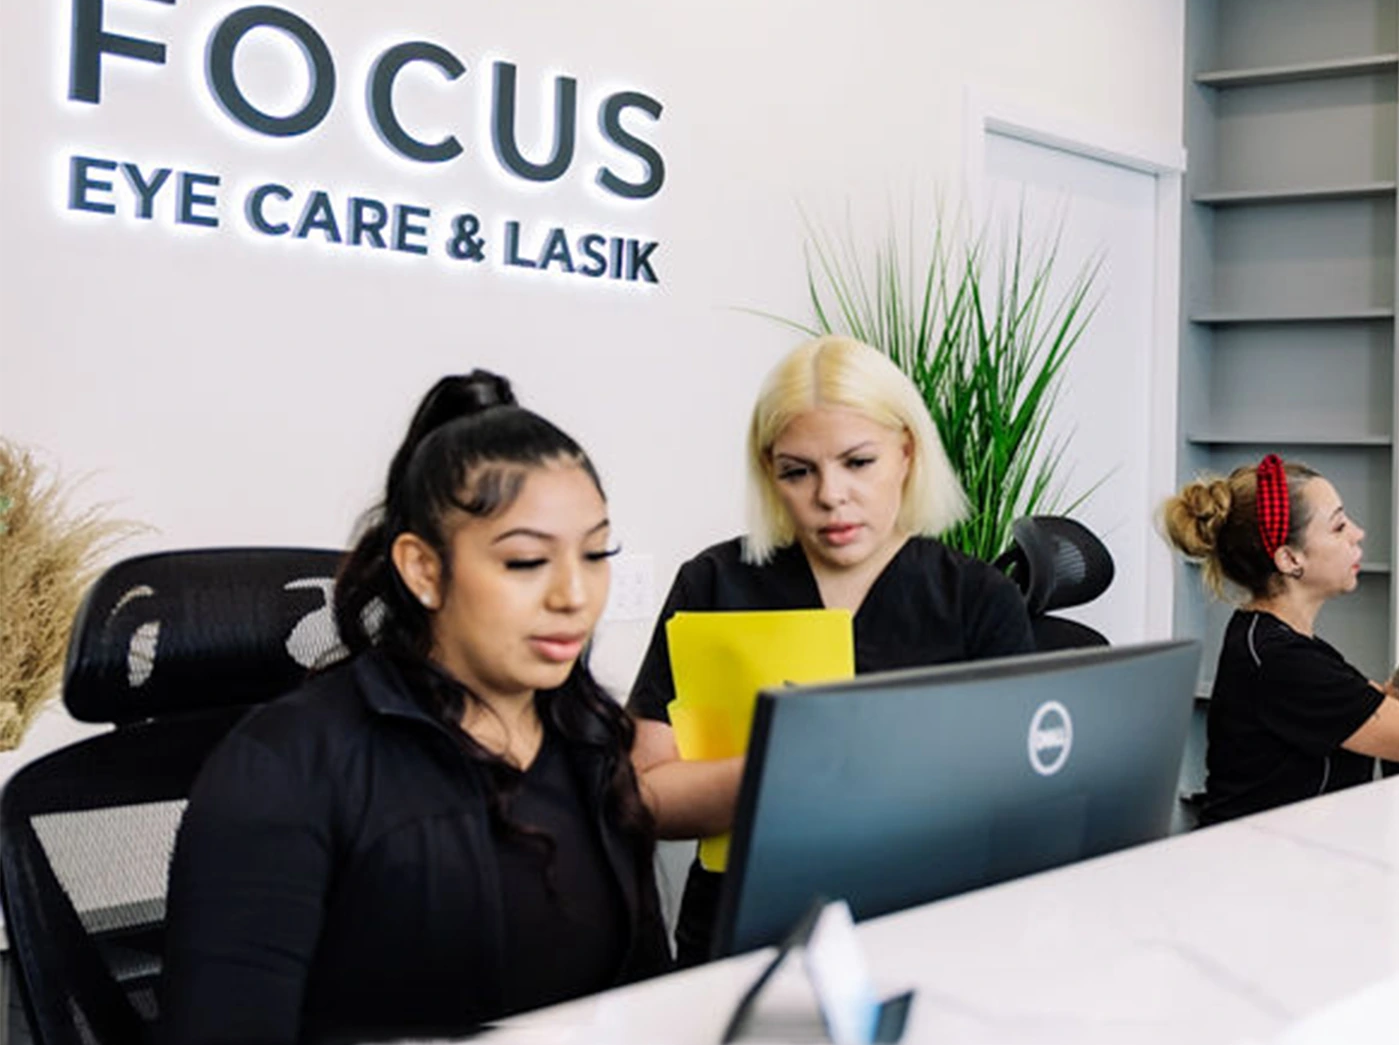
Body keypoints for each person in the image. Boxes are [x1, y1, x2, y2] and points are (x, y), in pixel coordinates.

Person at [162, 372, 668, 1044]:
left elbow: (647, 1005)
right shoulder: (284, 765)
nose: (575, 593)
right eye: (526, 561)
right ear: (424, 569)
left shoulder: (588, 740)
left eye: (596, 552)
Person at [628, 335, 1035, 962]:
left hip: (923, 929)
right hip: (741, 937)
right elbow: (645, 796)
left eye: (858, 462)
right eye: (798, 471)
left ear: (907, 452)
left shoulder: (977, 600)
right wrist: (785, 771)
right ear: (770, 472)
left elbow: (1014, 800)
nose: (830, 496)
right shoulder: (713, 583)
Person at [1163, 455, 1399, 825]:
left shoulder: (1278, 639)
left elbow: (1397, 708)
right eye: (1338, 527)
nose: (1358, 533)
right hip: (1256, 869)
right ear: (1290, 559)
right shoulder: (1278, 661)